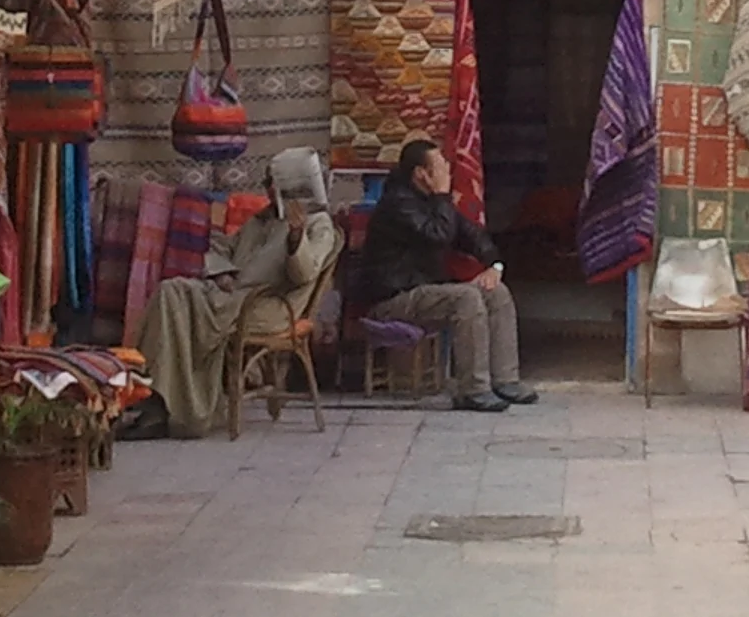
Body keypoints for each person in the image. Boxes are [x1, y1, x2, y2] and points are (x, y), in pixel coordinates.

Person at [121, 149, 340, 440]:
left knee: (174, 298)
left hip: (266, 307)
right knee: (170, 292)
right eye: (267, 182)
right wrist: (222, 272)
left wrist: (296, 237)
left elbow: (304, 274)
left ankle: (169, 407)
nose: (268, 189)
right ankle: (155, 400)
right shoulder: (262, 218)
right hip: (230, 296)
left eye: (273, 183)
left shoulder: (318, 224)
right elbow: (223, 246)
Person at [363, 138, 536, 413]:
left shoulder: (432, 202)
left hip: (427, 293)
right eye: (441, 165)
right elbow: (438, 235)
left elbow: (472, 235)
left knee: (496, 292)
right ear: (422, 173)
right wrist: (443, 195)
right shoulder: (398, 204)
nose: (447, 169)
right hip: (394, 298)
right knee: (466, 297)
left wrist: (495, 265)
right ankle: (473, 389)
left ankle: (506, 380)